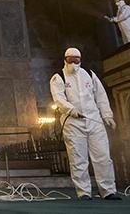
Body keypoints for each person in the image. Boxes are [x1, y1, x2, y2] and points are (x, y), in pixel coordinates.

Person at [50, 47, 121, 200]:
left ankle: (108, 190)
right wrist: (71, 109)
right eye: (71, 60)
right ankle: (84, 192)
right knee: (78, 158)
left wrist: (107, 115)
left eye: (77, 59)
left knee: (102, 156)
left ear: (80, 60)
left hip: (94, 121)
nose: (74, 63)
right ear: (65, 59)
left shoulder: (89, 75)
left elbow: (100, 96)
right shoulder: (59, 77)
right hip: (73, 123)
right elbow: (59, 98)